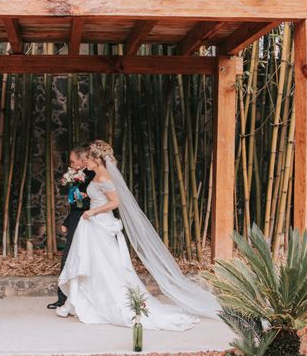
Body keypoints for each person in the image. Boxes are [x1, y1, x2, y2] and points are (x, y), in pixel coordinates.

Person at [56, 140, 219, 330]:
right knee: (89, 262)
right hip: (92, 224)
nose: (87, 161)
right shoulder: (98, 175)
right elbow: (99, 195)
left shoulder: (104, 177)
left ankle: (87, 303)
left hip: (98, 222)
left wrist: (93, 211)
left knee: (103, 264)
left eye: (90, 157)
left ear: (98, 159)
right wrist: (87, 198)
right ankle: (74, 302)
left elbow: (115, 202)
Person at [47, 147, 95, 310]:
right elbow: (75, 204)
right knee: (69, 256)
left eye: (73, 161)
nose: (71, 164)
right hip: (76, 217)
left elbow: (97, 200)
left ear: (83, 161)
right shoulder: (76, 176)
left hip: (88, 219)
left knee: (77, 257)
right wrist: (68, 221)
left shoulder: (93, 175)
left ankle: (78, 298)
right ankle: (63, 298)